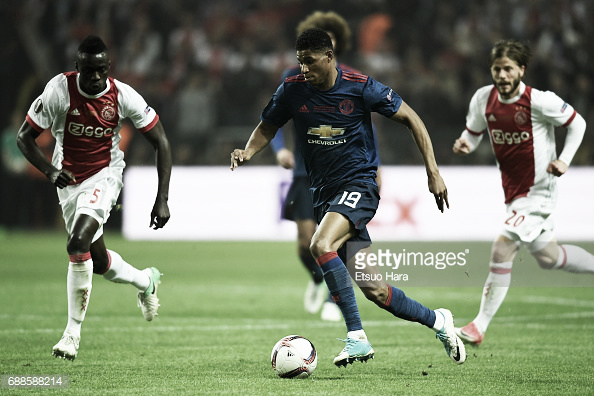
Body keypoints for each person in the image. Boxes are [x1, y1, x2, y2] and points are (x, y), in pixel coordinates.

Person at [231, 28, 465, 366]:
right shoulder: (293, 90)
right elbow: (268, 125)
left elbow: (411, 118)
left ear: (328, 57)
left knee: (319, 244)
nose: (304, 69)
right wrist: (249, 151)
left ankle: (356, 338)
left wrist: (433, 171)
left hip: (360, 185)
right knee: (377, 291)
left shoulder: (360, 86)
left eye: (310, 62)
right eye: (300, 63)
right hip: (325, 194)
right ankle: (439, 321)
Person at [16, 35, 172, 360]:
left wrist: (162, 199)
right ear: (77, 67)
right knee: (97, 261)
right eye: (89, 70)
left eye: (101, 70)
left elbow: (161, 142)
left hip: (106, 174)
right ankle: (146, 281)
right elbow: (24, 138)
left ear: (108, 67)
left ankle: (72, 334)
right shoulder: (58, 91)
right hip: (67, 178)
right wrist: (49, 171)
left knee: (77, 243)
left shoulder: (122, 95)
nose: (96, 77)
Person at [452, 39, 593, 346]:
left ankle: (479, 326)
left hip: (539, 191)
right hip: (515, 195)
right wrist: (466, 143)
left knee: (502, 248)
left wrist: (564, 160)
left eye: (508, 69)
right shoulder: (483, 99)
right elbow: (473, 132)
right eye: (496, 69)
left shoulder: (539, 100)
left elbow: (577, 123)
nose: (502, 75)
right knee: (549, 257)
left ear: (521, 70)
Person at [270, 11, 370, 322]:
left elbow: (366, 126)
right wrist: (279, 150)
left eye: (333, 36)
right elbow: (271, 118)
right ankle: (317, 279)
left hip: (342, 174)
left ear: (335, 45)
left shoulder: (352, 80)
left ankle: (332, 297)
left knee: (331, 240)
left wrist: (373, 165)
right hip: (304, 172)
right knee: (305, 245)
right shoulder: (296, 76)